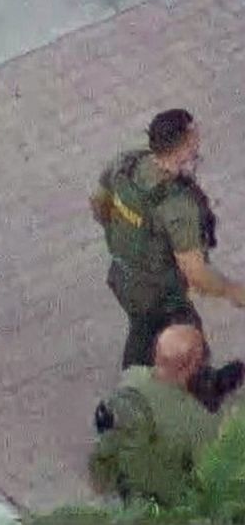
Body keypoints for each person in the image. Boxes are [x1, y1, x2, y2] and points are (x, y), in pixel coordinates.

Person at [90, 108, 244, 410]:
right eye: (194, 133)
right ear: (185, 145)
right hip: (159, 292)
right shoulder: (176, 205)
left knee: (145, 328)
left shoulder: (127, 164)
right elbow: (196, 273)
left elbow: (98, 204)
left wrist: (129, 237)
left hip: (123, 276)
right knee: (183, 337)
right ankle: (181, 402)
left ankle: (158, 389)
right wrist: (233, 291)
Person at [89, 324, 224, 506]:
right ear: (192, 364)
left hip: (133, 497)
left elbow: (106, 447)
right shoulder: (197, 419)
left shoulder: (131, 379)